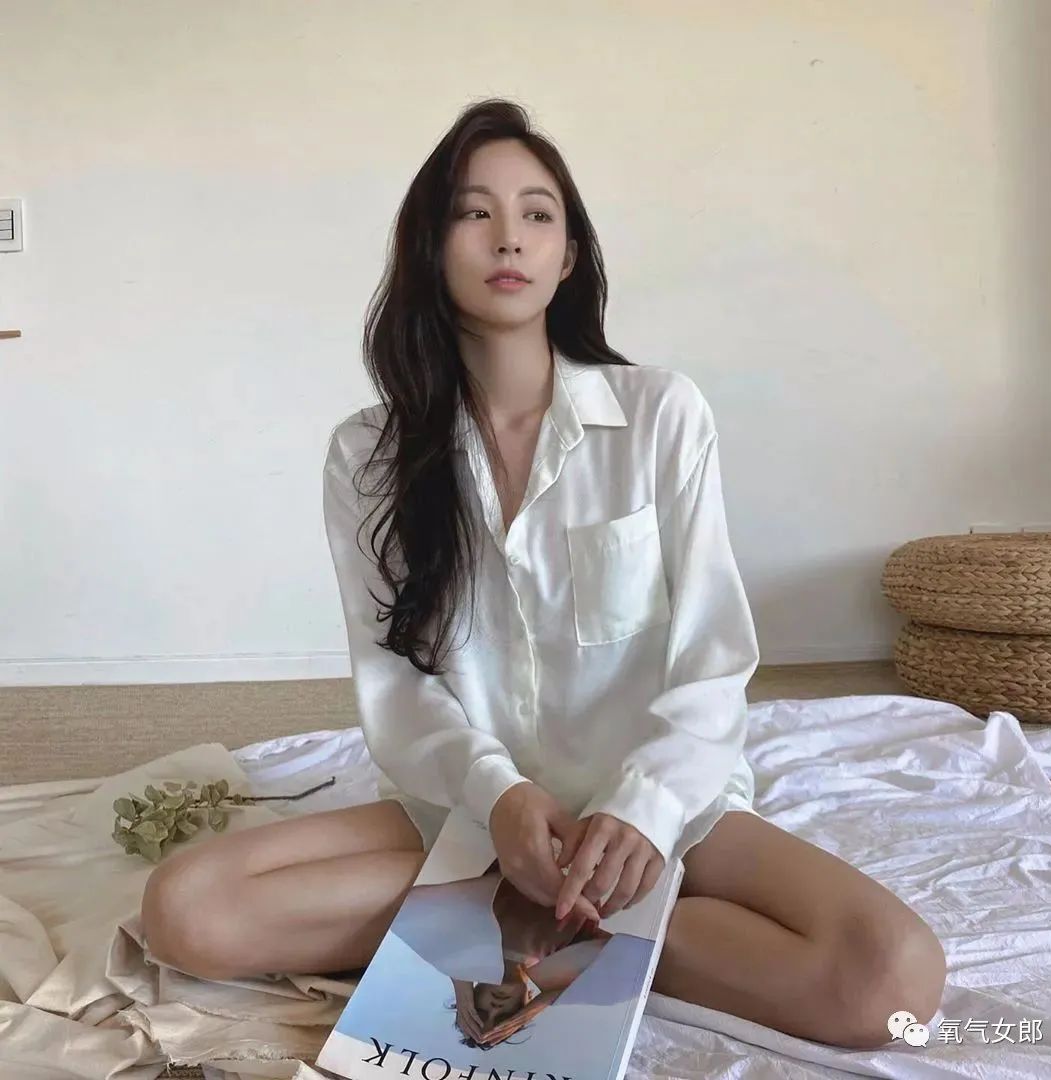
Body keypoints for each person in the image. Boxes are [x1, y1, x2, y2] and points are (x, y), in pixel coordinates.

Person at [140, 97, 946, 1050]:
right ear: (429, 247)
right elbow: (397, 685)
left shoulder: (660, 415)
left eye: (537, 213)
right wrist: (500, 799)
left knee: (891, 980)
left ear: (568, 257)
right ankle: (535, 908)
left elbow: (713, 657)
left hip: (657, 815)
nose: (508, 237)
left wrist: (643, 810)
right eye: (473, 213)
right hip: (470, 813)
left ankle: (573, 919)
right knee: (187, 911)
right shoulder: (367, 456)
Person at [390, 858, 640, 1049]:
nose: (495, 1007)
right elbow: (632, 960)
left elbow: (409, 907)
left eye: (481, 1012)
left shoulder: (473, 935)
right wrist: (537, 1007)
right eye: (505, 1016)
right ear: (526, 1000)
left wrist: (460, 975)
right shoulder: (558, 962)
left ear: (474, 994)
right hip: (597, 850)